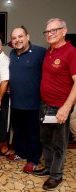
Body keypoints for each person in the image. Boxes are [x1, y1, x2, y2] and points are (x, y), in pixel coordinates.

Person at [33, 18, 76, 191]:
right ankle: (49, 168)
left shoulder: (71, 52)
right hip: (45, 105)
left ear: (64, 31)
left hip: (60, 107)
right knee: (46, 140)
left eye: (54, 30)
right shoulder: (49, 51)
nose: (49, 34)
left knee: (59, 143)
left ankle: (56, 175)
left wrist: (66, 108)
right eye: (47, 31)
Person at [7, 26, 46, 173]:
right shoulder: (11, 53)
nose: (17, 40)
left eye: (20, 36)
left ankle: (33, 160)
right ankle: (21, 153)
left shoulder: (40, 52)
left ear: (27, 36)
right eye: (14, 37)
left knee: (33, 133)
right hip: (16, 102)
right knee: (18, 131)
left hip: (34, 103)